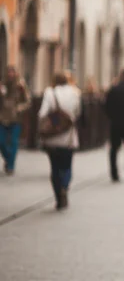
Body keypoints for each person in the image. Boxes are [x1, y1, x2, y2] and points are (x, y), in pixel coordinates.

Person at [38, 72, 83, 210]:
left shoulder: (49, 93)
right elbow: (78, 113)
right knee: (67, 165)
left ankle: (59, 196)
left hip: (52, 137)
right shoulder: (75, 93)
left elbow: (42, 113)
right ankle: (65, 186)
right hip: (68, 136)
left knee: (55, 167)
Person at [0, 66, 31, 175]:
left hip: (15, 119)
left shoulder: (20, 86)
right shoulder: (2, 84)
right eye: (8, 72)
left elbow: (28, 101)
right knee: (1, 142)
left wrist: (19, 108)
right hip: (2, 118)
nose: (10, 74)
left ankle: (11, 166)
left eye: (12, 72)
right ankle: (8, 159)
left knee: (13, 142)